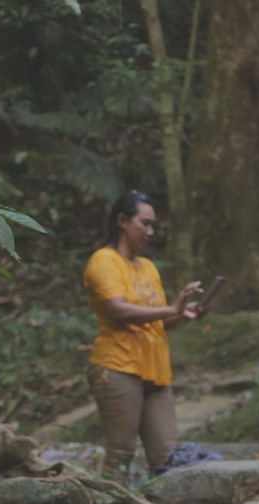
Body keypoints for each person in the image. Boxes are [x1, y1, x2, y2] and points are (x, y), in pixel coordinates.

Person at [83, 191, 202, 479]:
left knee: (166, 456)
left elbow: (158, 319)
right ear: (123, 221)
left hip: (155, 369)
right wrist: (171, 307)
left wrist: (181, 313)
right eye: (144, 224)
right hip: (118, 366)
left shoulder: (147, 267)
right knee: (121, 452)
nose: (150, 232)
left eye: (153, 226)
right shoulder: (104, 261)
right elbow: (119, 311)